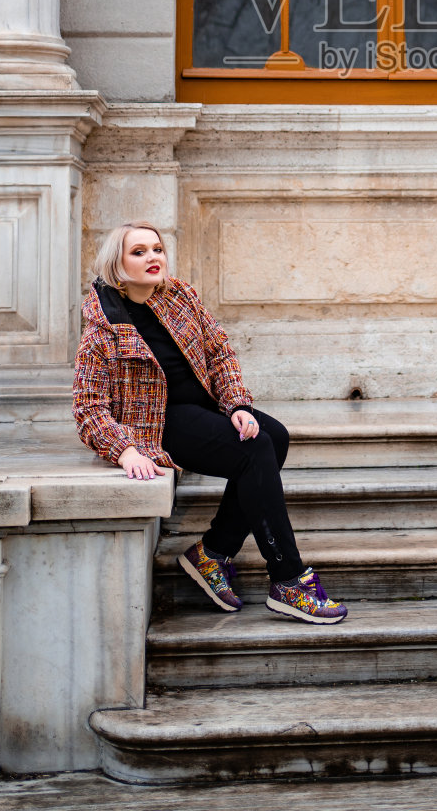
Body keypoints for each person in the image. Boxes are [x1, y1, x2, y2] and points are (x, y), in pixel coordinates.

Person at [72, 221, 347, 624]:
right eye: (139, 252)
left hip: (205, 407)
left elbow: (219, 352)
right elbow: (87, 407)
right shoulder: (104, 327)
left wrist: (237, 406)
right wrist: (126, 450)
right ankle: (288, 579)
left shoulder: (179, 296)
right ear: (117, 265)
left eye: (157, 249)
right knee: (254, 451)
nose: (153, 258)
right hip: (159, 423)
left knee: (275, 436)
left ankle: (212, 553)